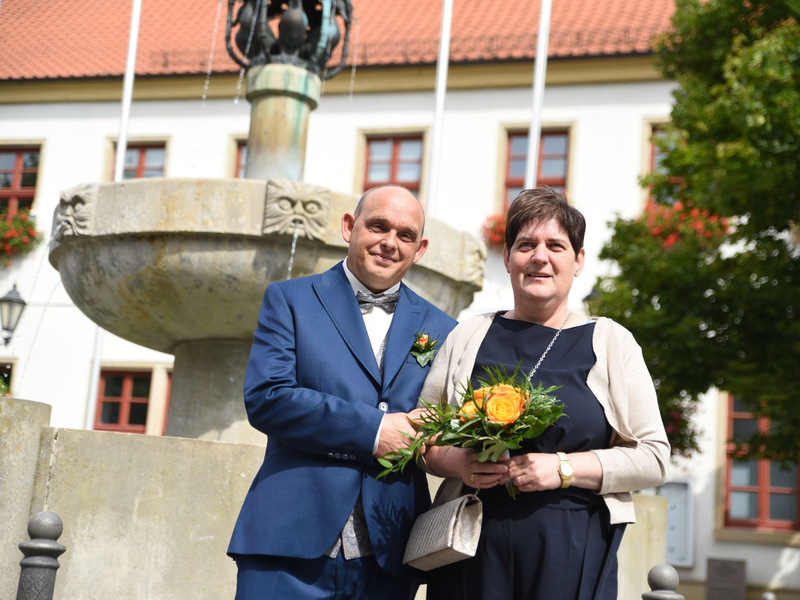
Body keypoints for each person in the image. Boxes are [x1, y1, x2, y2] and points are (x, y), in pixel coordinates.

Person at [419, 186, 670, 600]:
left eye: (556, 245)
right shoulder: (468, 334)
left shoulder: (610, 342)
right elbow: (422, 435)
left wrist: (563, 468)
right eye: (526, 245)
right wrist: (461, 463)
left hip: (573, 548)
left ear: (578, 262)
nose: (540, 257)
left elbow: (654, 457)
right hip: (470, 547)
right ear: (507, 258)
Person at [227, 185, 457, 599]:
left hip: (390, 553)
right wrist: (375, 430)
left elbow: (440, 420)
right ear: (349, 227)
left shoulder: (442, 328)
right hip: (289, 545)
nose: (390, 242)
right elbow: (268, 398)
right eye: (378, 226)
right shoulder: (290, 300)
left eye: (405, 235)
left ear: (419, 249)